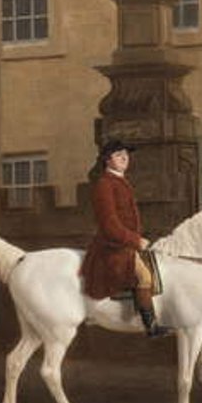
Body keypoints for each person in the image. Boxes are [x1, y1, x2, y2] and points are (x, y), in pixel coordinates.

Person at [80, 140, 170, 338]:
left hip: (124, 244)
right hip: (112, 246)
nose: (124, 158)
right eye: (118, 154)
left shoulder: (121, 181)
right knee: (144, 277)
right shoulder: (104, 184)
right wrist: (135, 240)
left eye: (126, 155)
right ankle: (151, 326)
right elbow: (109, 225)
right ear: (107, 160)